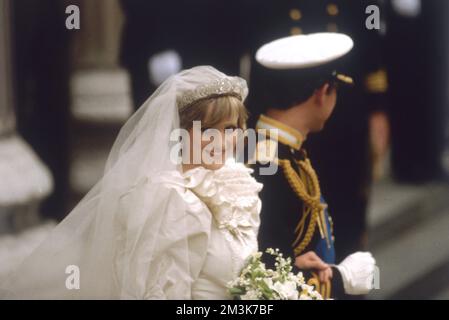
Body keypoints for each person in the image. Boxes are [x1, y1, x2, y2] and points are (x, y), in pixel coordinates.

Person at [0, 66, 263, 299]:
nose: (221, 140)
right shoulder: (172, 199)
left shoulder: (237, 186)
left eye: (231, 128)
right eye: (206, 130)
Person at [250, 33, 376, 299]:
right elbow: (264, 280)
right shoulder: (268, 164)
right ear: (322, 93)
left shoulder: (278, 149)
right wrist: (340, 281)